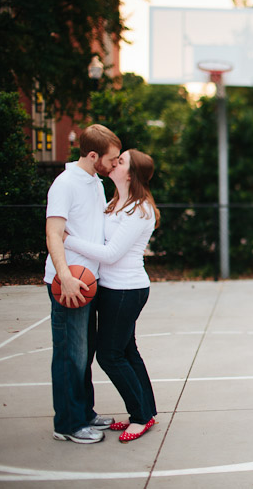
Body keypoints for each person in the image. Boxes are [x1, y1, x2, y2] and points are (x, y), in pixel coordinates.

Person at [63, 149, 160, 443]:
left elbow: (111, 253)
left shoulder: (139, 210)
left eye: (121, 161)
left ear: (130, 174)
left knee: (109, 355)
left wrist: (68, 240)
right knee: (127, 351)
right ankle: (146, 411)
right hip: (111, 289)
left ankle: (140, 417)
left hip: (126, 290)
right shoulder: (116, 202)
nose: (114, 163)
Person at [44, 124, 121, 444]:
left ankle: (84, 412)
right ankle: (68, 423)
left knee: (84, 352)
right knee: (69, 354)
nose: (115, 165)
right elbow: (53, 233)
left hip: (90, 281)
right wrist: (65, 276)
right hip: (70, 283)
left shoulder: (93, 180)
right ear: (93, 156)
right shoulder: (65, 184)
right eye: (112, 159)